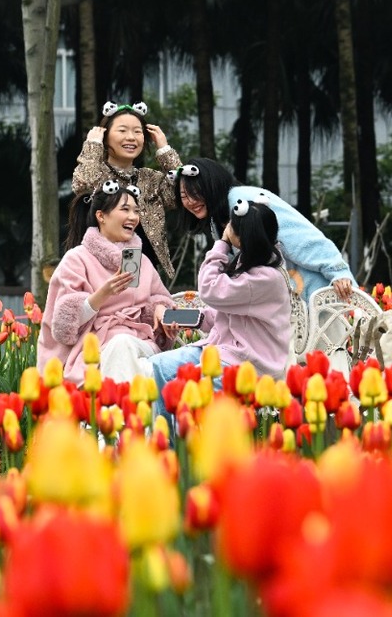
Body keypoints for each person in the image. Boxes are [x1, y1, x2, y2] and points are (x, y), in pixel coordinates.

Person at [148, 199, 291, 417]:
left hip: (249, 362)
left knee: (187, 390)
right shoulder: (252, 261)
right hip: (223, 351)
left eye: (232, 226)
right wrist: (194, 319)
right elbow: (228, 311)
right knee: (159, 366)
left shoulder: (265, 277)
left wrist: (222, 243)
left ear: (244, 237)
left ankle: (195, 443)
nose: (227, 228)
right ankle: (167, 444)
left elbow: (208, 289)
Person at [37, 180, 175, 385]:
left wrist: (160, 308)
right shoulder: (76, 259)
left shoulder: (142, 261)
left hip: (139, 342)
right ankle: (130, 413)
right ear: (101, 216)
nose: (133, 217)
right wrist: (103, 293)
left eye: (136, 211)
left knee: (125, 346)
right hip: (92, 348)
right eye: (125, 209)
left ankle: (117, 413)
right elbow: (64, 326)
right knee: (126, 352)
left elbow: (160, 297)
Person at [172, 157, 355, 302]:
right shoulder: (217, 217)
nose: (190, 201)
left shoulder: (245, 201)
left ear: (212, 187)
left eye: (196, 193)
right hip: (288, 304)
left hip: (319, 292)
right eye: (184, 196)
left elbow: (301, 236)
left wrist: (337, 271)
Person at [71, 101, 183, 281]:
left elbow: (182, 194)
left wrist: (164, 149)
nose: (131, 137)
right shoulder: (97, 173)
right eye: (122, 131)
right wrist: (92, 145)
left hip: (147, 273)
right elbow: (82, 185)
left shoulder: (150, 178)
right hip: (100, 271)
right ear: (105, 136)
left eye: (137, 132)